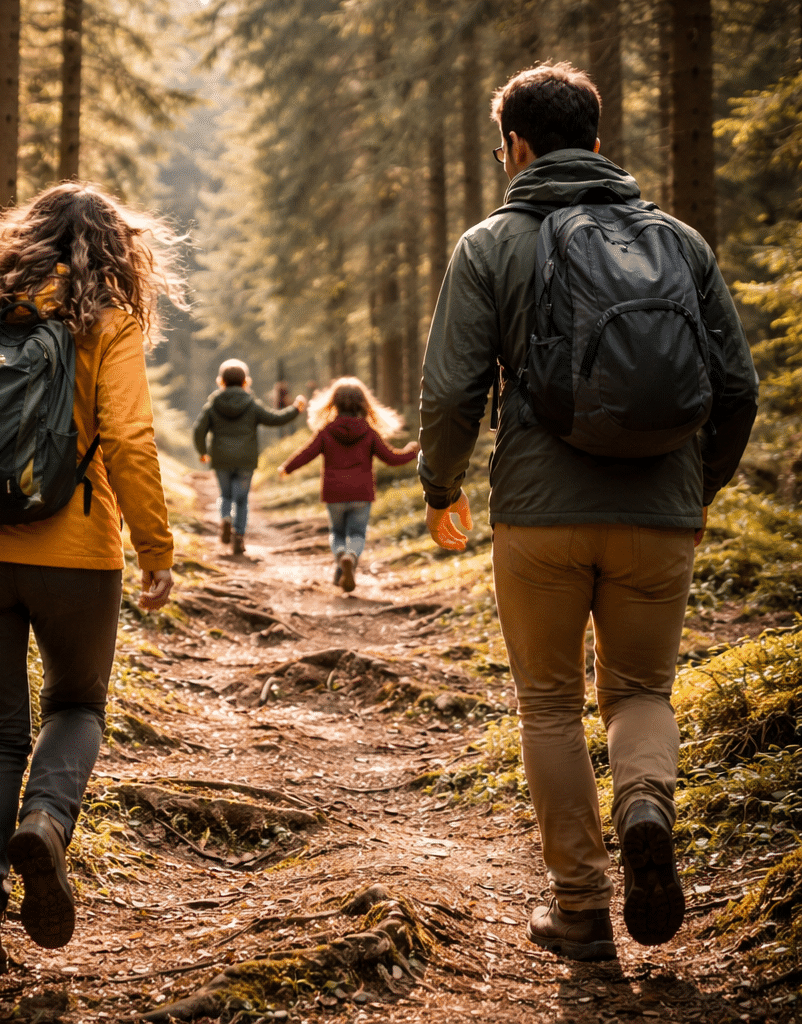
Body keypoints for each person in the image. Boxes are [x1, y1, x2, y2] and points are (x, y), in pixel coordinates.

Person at [419, 62, 758, 961]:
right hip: (661, 513)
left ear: (516, 149)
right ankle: (645, 800)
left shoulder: (491, 245)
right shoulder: (679, 243)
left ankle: (581, 908)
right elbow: (737, 388)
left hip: (539, 514)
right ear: (599, 144)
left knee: (549, 704)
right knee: (641, 691)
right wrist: (694, 486)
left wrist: (441, 488)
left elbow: (452, 391)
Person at [0, 182, 182, 978]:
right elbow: (128, 439)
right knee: (78, 705)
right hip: (76, 556)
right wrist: (155, 547)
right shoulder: (109, 323)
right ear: (116, 253)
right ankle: (48, 825)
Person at [279, 377, 417, 592]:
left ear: (333, 403)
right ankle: (351, 557)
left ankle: (341, 562)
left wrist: (286, 468)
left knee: (337, 533)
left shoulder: (326, 431)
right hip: (361, 493)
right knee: (357, 534)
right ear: (363, 403)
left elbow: (307, 453)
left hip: (334, 493)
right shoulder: (369, 432)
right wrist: (412, 451)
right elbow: (391, 458)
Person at [193, 359, 304, 554]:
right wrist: (295, 409)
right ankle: (239, 536)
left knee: (225, 495)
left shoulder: (213, 405)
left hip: (221, 459)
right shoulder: (251, 404)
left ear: (221, 381)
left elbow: (198, 430)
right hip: (245, 460)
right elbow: (274, 419)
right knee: (242, 500)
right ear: (246, 382)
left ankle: (225, 518)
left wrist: (203, 452)